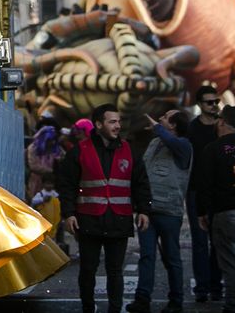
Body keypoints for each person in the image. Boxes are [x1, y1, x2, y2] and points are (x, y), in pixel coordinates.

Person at [57, 103, 152, 313]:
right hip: (89, 221)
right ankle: (88, 308)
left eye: (118, 121)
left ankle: (114, 309)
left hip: (119, 220)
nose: (117, 126)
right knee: (88, 270)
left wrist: (144, 210)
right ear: (98, 124)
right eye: (112, 121)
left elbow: (141, 183)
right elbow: (67, 185)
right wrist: (69, 214)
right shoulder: (79, 152)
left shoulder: (130, 151)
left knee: (115, 271)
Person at [191, 105, 235, 313]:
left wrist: (202, 212)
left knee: (231, 264)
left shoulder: (213, 149)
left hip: (228, 213)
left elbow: (205, 184)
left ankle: (232, 306)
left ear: (222, 122)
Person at [130, 110, 191, 313]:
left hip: (169, 212)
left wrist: (157, 127)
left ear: (173, 125)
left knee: (172, 258)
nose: (161, 119)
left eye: (165, 117)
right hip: (147, 210)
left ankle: (176, 301)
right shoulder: (155, 143)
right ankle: (142, 299)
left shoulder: (184, 145)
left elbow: (172, 142)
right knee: (146, 256)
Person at [186, 84, 224, 303]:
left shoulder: (222, 127)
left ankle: (216, 285)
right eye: (209, 102)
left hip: (219, 191)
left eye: (216, 101)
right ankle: (201, 287)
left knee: (217, 240)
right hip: (196, 190)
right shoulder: (192, 128)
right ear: (200, 105)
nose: (214, 106)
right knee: (199, 241)